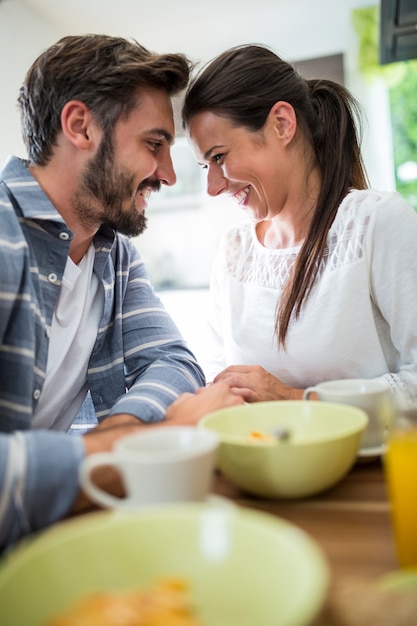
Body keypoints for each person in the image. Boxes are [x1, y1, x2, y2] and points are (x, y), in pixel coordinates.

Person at [0, 34, 243, 552]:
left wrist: (123, 431)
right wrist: (145, 443)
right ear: (80, 126)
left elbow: (173, 361)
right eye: (154, 145)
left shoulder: (112, 252)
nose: (169, 175)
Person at [182, 43, 417, 404]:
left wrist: (295, 399)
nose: (213, 187)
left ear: (281, 124)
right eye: (204, 167)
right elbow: (219, 384)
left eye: (219, 157)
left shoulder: (376, 224)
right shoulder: (234, 253)